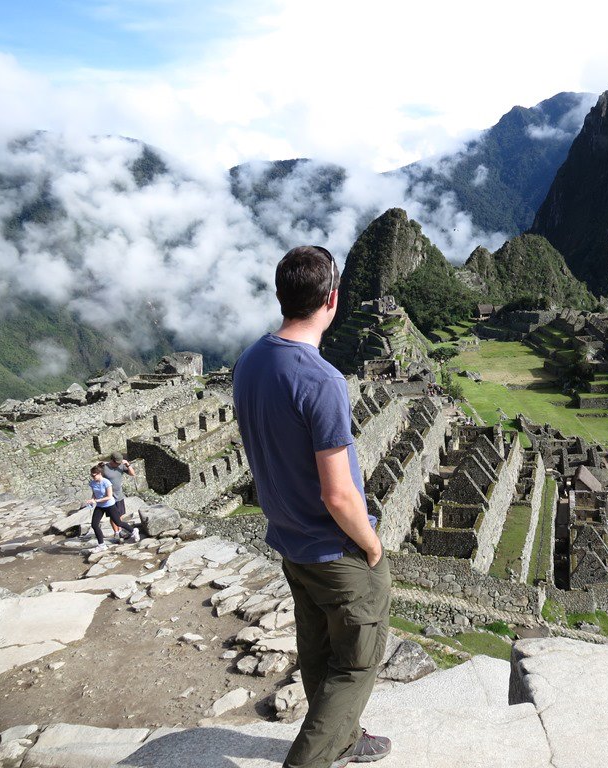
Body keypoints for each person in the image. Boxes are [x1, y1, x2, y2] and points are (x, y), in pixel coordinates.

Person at [233, 245, 392, 768]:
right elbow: (339, 492)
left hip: (290, 543)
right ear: (332, 299)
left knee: (320, 655)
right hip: (334, 549)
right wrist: (370, 546)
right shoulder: (322, 381)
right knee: (358, 663)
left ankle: (344, 738)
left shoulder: (251, 361)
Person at [85, 465, 139, 553]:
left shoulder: (106, 482)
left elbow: (109, 496)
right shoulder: (93, 483)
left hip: (110, 505)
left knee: (118, 522)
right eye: (92, 475)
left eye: (94, 475)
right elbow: (94, 493)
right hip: (100, 506)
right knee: (94, 525)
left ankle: (134, 530)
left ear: (99, 474)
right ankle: (101, 545)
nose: (93, 477)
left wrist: (96, 500)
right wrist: (92, 499)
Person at [100, 452, 136, 541]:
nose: (118, 464)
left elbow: (132, 474)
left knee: (120, 515)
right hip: (109, 497)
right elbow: (99, 480)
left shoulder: (121, 466)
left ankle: (120, 532)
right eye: (117, 462)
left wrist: (128, 465)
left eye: (120, 462)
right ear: (112, 460)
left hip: (119, 495)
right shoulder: (104, 468)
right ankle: (116, 532)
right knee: (113, 516)